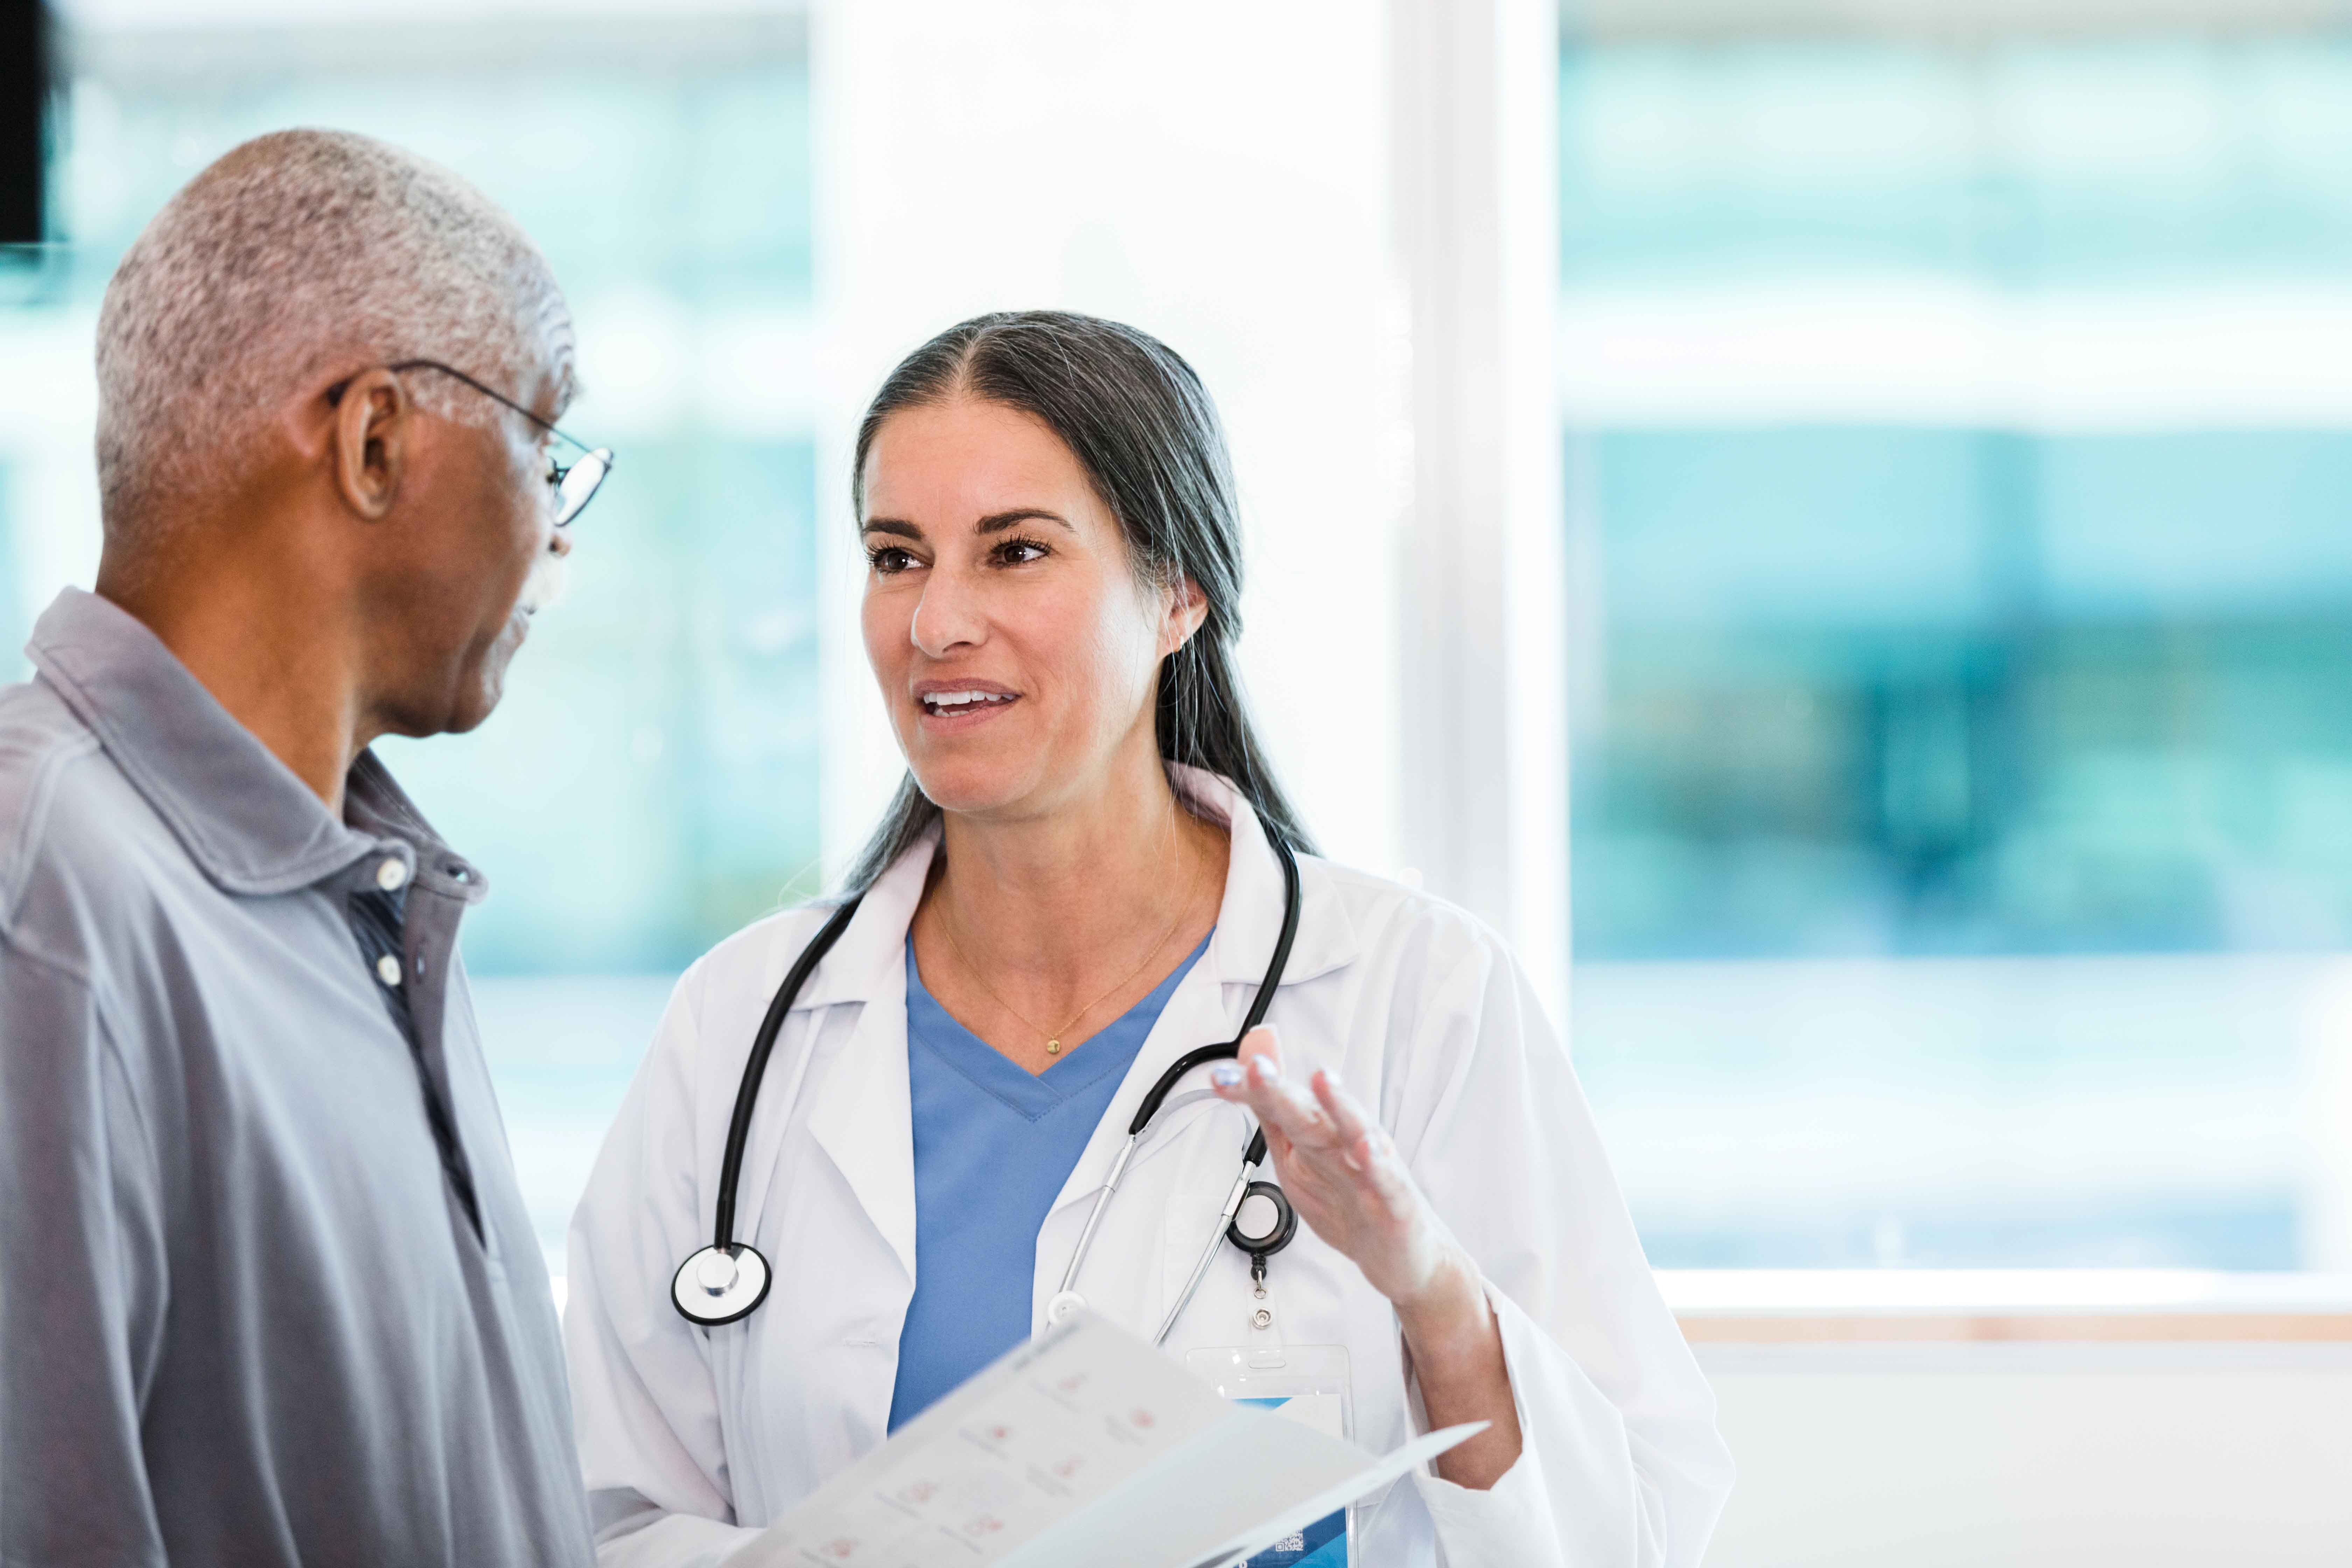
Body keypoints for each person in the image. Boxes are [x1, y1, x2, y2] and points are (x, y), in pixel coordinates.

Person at [565, 311, 1734, 1567]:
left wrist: (1431, 1291)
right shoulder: (742, 1025)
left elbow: (1637, 1525)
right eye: (897, 557)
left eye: (1014, 553)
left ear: (1179, 594)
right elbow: (601, 1515)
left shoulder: (1416, 995)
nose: (935, 622)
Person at [0, 130, 610, 1566]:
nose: (561, 535)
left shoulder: (373, 904)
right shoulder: (46, 906)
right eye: (547, 443)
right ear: (376, 441)